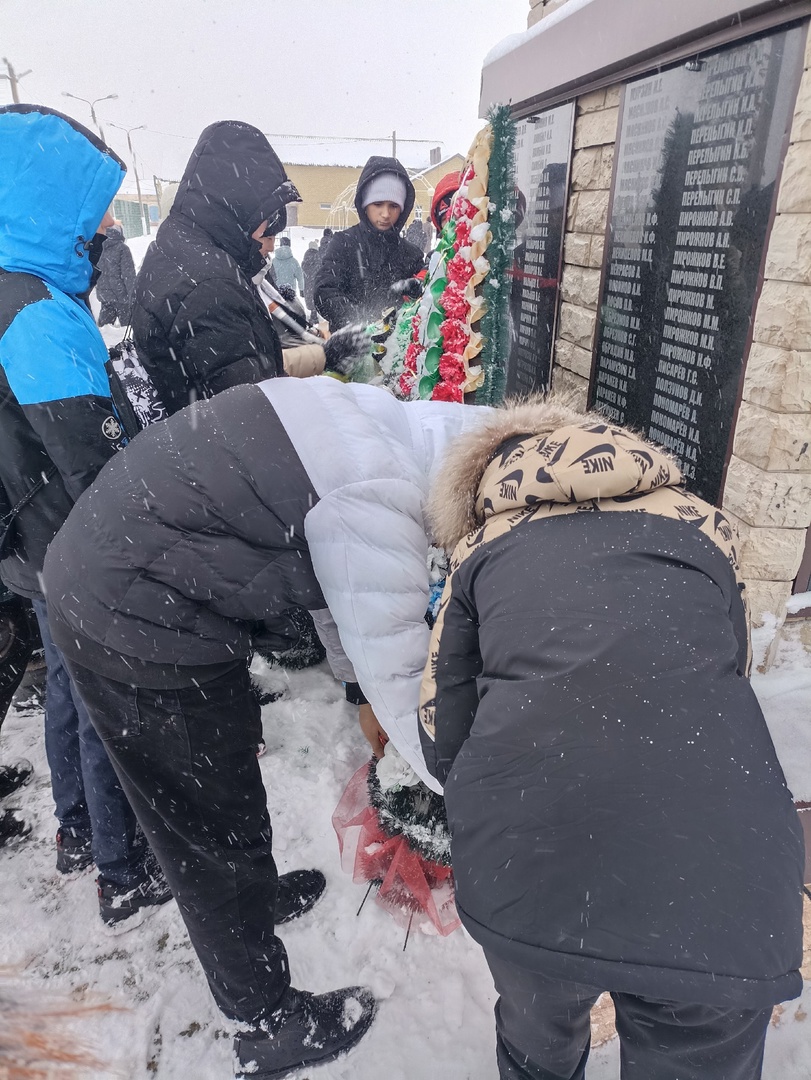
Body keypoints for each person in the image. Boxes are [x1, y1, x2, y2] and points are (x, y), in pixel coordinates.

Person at [43, 376, 490, 1077]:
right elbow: (411, 699)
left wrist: (356, 688)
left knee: (225, 782)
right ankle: (263, 1021)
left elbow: (335, 591)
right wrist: (471, 798)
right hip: (135, 615)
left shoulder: (381, 434)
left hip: (144, 577)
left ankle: (249, 899)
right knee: (204, 822)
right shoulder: (376, 497)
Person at [418, 396, 805, 1080]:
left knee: (538, 1041)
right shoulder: (702, 529)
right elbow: (730, 666)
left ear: (481, 485)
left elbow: (441, 729)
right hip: (721, 872)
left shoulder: (480, 550)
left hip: (532, 859)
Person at [0, 104, 172, 924]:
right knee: (107, 707)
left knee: (69, 691)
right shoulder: (38, 312)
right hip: (72, 546)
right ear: (49, 202)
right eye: (96, 207)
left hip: (33, 545)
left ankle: (76, 831)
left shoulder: (10, 286)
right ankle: (122, 868)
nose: (107, 225)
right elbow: (91, 465)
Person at [132, 120, 302, 416]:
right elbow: (251, 418)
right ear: (239, 205)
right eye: (265, 217)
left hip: (187, 430)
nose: (269, 237)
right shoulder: (211, 289)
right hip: (212, 441)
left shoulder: (178, 243)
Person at [314, 156, 424, 329]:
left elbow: (425, 304)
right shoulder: (344, 243)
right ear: (365, 205)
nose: (386, 214)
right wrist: (357, 321)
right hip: (352, 342)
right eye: (378, 204)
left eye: (394, 206)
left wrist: (418, 291)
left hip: (398, 343)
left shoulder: (412, 254)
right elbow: (325, 291)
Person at [95, 222, 136, 327]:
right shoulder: (122, 248)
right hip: (121, 296)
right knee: (128, 328)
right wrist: (133, 296)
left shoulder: (98, 247)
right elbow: (128, 275)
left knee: (104, 330)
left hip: (104, 295)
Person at [301, 239, 321, 312]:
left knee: (311, 304)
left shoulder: (305, 258)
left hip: (308, 285)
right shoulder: (319, 258)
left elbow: (303, 271)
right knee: (317, 303)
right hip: (316, 284)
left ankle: (313, 313)